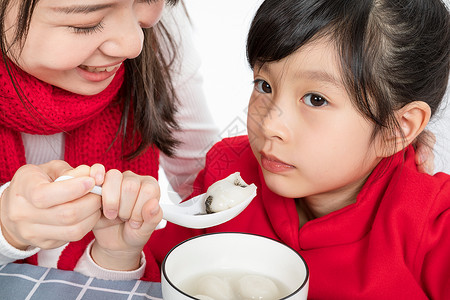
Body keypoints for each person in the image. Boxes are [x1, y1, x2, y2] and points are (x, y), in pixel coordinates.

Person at [148, 0, 450, 298]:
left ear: (399, 128)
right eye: (264, 85)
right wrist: (119, 253)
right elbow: (157, 278)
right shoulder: (228, 173)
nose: (270, 126)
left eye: (315, 99)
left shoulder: (435, 229)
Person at [0, 0, 219, 280]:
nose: (133, 45)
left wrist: (116, 257)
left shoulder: (162, 34)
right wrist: (5, 231)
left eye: (148, 0)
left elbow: (205, 189)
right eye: (86, 23)